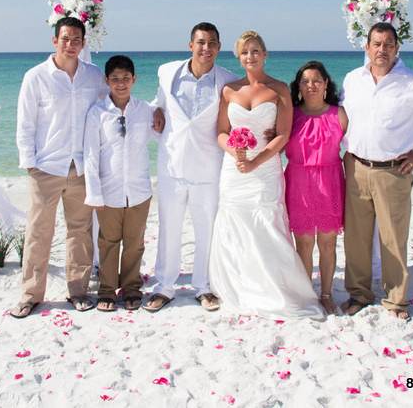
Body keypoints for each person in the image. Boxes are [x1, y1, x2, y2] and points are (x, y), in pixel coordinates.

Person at [341, 22, 413, 320]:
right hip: (354, 167)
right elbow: (339, 117)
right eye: (376, 44)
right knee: (356, 237)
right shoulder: (353, 79)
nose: (382, 50)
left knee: (393, 238)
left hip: (393, 171)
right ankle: (359, 294)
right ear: (366, 47)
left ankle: (396, 300)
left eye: (388, 44)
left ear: (397, 48)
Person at [209, 30, 324, 319]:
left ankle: (277, 288)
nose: (251, 56)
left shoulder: (279, 89)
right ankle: (240, 286)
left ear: (265, 54)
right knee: (236, 225)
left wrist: (256, 160)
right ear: (238, 56)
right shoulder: (229, 90)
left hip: (265, 168)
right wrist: (235, 153)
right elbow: (221, 132)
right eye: (245, 51)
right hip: (234, 169)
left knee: (267, 226)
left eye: (256, 50)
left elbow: (283, 135)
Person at [10, 17, 107, 318]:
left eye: (76, 38)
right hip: (46, 167)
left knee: (79, 231)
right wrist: (30, 164)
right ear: (55, 41)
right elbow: (25, 124)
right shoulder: (36, 76)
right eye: (65, 38)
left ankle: (78, 291)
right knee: (39, 232)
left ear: (83, 42)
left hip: (80, 167)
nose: (71, 43)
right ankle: (31, 294)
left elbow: (104, 115)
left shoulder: (94, 77)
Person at [145, 22, 239, 313]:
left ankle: (204, 287)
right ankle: (164, 286)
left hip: (209, 169)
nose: (206, 48)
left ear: (219, 48)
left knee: (206, 230)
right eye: (200, 42)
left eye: (212, 43)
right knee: (169, 228)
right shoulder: (166, 72)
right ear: (190, 45)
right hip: (172, 166)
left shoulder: (229, 81)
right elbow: (158, 105)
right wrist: (155, 112)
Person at [83, 55, 154, 312]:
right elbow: (90, 155)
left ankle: (132, 288)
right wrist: (94, 193)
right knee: (109, 242)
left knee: (135, 242)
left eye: (126, 78)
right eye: (115, 79)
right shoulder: (97, 113)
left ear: (134, 80)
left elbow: (164, 130)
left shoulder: (145, 110)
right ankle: (107, 290)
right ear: (107, 81)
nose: (121, 84)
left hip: (139, 190)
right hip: (109, 191)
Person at [284, 61, 348, 315]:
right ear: (298, 86)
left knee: (328, 242)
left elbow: (357, 147)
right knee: (304, 243)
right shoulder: (290, 114)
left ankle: (326, 293)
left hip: (330, 181)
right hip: (298, 182)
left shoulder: (339, 114)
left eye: (316, 80)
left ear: (326, 85)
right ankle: (307, 293)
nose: (311, 85)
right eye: (305, 81)